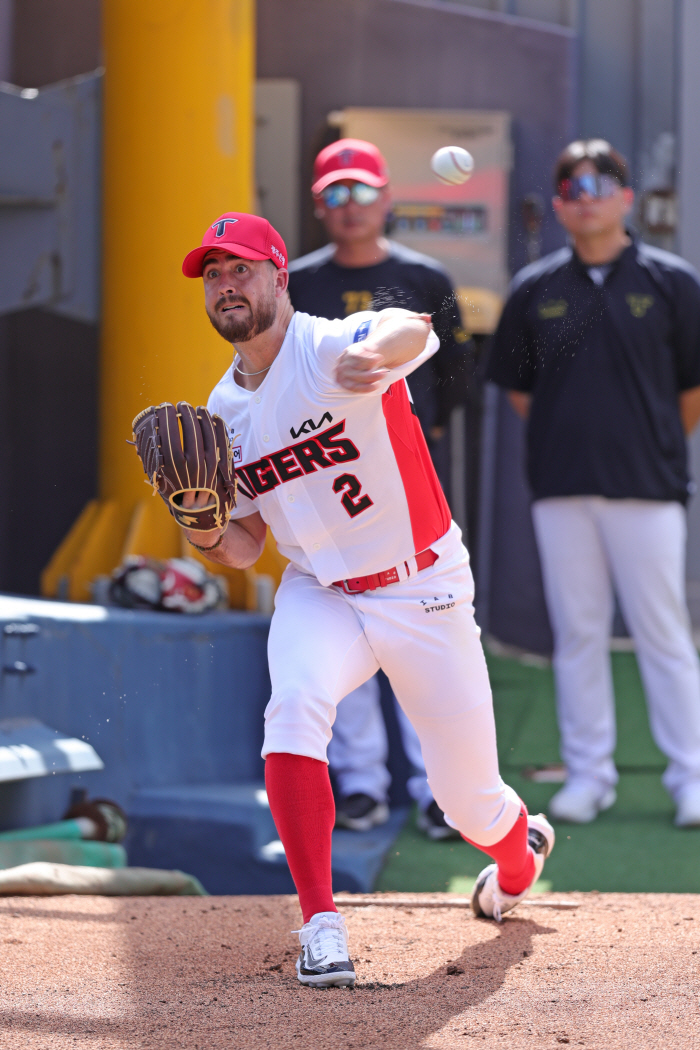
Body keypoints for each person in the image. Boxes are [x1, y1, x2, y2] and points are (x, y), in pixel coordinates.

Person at [174, 210, 554, 987]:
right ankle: (320, 922)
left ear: (280, 276)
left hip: (421, 583)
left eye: (240, 268)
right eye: (213, 275)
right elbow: (243, 546)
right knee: (294, 705)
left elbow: (413, 330)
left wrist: (379, 353)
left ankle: (519, 858)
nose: (225, 286)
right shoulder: (222, 414)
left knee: (469, 804)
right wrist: (205, 532)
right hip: (321, 589)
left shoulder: (330, 343)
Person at [486, 138, 700, 828]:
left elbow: (692, 392)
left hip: (650, 490)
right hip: (562, 490)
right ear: (558, 206)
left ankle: (691, 778)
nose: (587, 195)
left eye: (602, 180)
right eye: (572, 185)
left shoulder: (673, 283)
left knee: (663, 632)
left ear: (627, 197)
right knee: (576, 633)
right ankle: (588, 776)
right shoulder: (534, 290)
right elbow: (521, 392)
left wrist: (647, 441)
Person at [289, 137, 469, 839]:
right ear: (318, 206)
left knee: (421, 633)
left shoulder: (425, 278)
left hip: (406, 487)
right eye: (336, 194)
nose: (351, 206)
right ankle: (360, 786)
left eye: (362, 191)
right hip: (320, 488)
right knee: (341, 628)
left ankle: (437, 792)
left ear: (386, 198)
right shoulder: (297, 282)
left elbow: (455, 381)